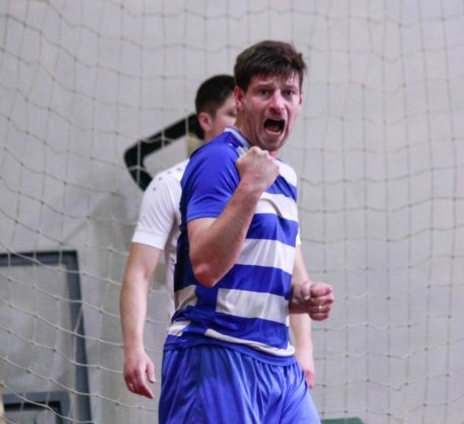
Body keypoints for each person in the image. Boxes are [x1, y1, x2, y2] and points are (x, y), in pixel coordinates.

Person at [159, 41, 335, 423]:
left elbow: (248, 279)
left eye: (288, 93)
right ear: (240, 98)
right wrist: (250, 187)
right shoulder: (217, 159)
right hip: (216, 352)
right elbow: (206, 266)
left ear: (300, 102)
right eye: (264, 92)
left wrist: (298, 295)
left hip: (277, 361)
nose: (278, 104)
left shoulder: (285, 176)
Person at [119, 74, 317, 400]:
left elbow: (295, 274)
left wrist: (304, 350)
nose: (242, 118)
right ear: (205, 121)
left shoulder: (277, 178)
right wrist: (134, 348)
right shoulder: (170, 184)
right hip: (209, 348)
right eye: (231, 113)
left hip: (270, 355)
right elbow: (139, 272)